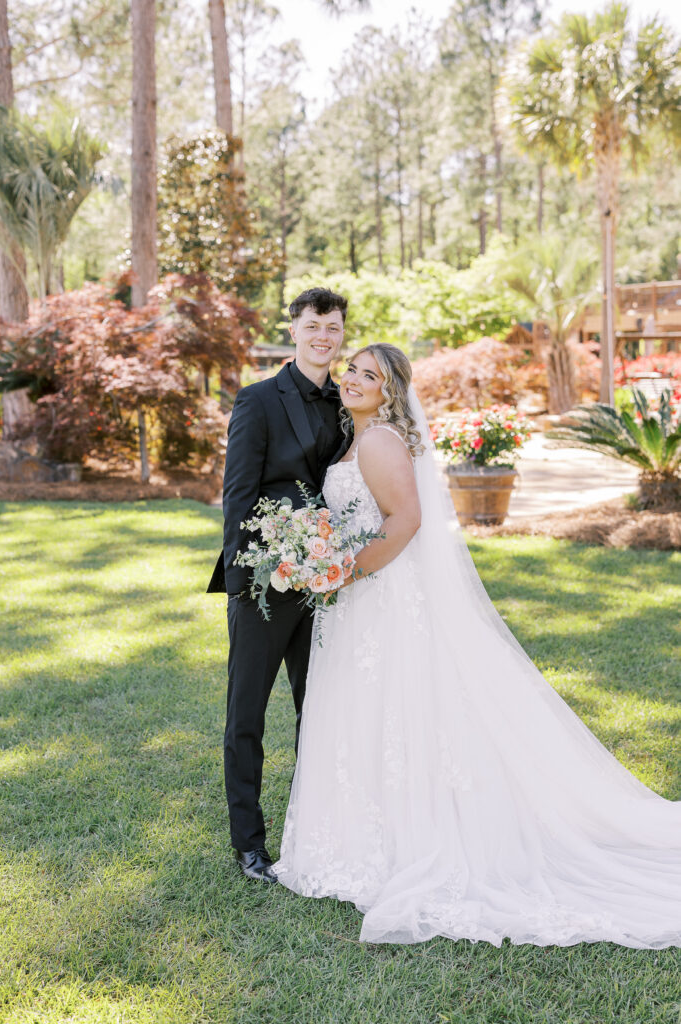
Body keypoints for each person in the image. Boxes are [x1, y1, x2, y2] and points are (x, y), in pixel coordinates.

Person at [274, 342, 681, 948]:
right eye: (353, 370)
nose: (355, 380)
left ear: (391, 393)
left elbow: (405, 521)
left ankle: (403, 840)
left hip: (378, 598)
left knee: (394, 710)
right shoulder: (357, 439)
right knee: (372, 713)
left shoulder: (380, 441)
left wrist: (339, 573)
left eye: (371, 376)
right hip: (361, 599)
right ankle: (366, 833)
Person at [207, 287, 349, 883]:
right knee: (248, 712)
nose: (324, 336)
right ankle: (249, 844)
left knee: (320, 710)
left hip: (331, 581)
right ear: (293, 329)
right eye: (314, 324)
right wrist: (244, 578)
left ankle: (314, 833)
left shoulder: (351, 401)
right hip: (266, 580)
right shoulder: (258, 400)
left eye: (334, 327)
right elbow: (238, 491)